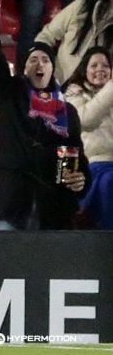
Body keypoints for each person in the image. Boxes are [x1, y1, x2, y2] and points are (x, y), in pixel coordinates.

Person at [0, 0, 91, 230]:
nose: (39, 64)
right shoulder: (10, 94)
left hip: (52, 207)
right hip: (11, 203)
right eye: (32, 60)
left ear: (53, 70)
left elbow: (76, 155)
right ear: (23, 68)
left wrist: (81, 178)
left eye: (45, 60)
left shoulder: (67, 111)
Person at [62, 47, 113, 229]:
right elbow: (84, 120)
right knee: (108, 181)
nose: (100, 69)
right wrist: (111, 89)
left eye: (106, 65)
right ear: (85, 69)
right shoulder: (74, 92)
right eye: (94, 65)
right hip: (92, 163)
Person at [34, 0, 113, 83]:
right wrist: (41, 60)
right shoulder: (81, 6)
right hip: (55, 84)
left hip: (88, 96)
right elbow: (47, 35)